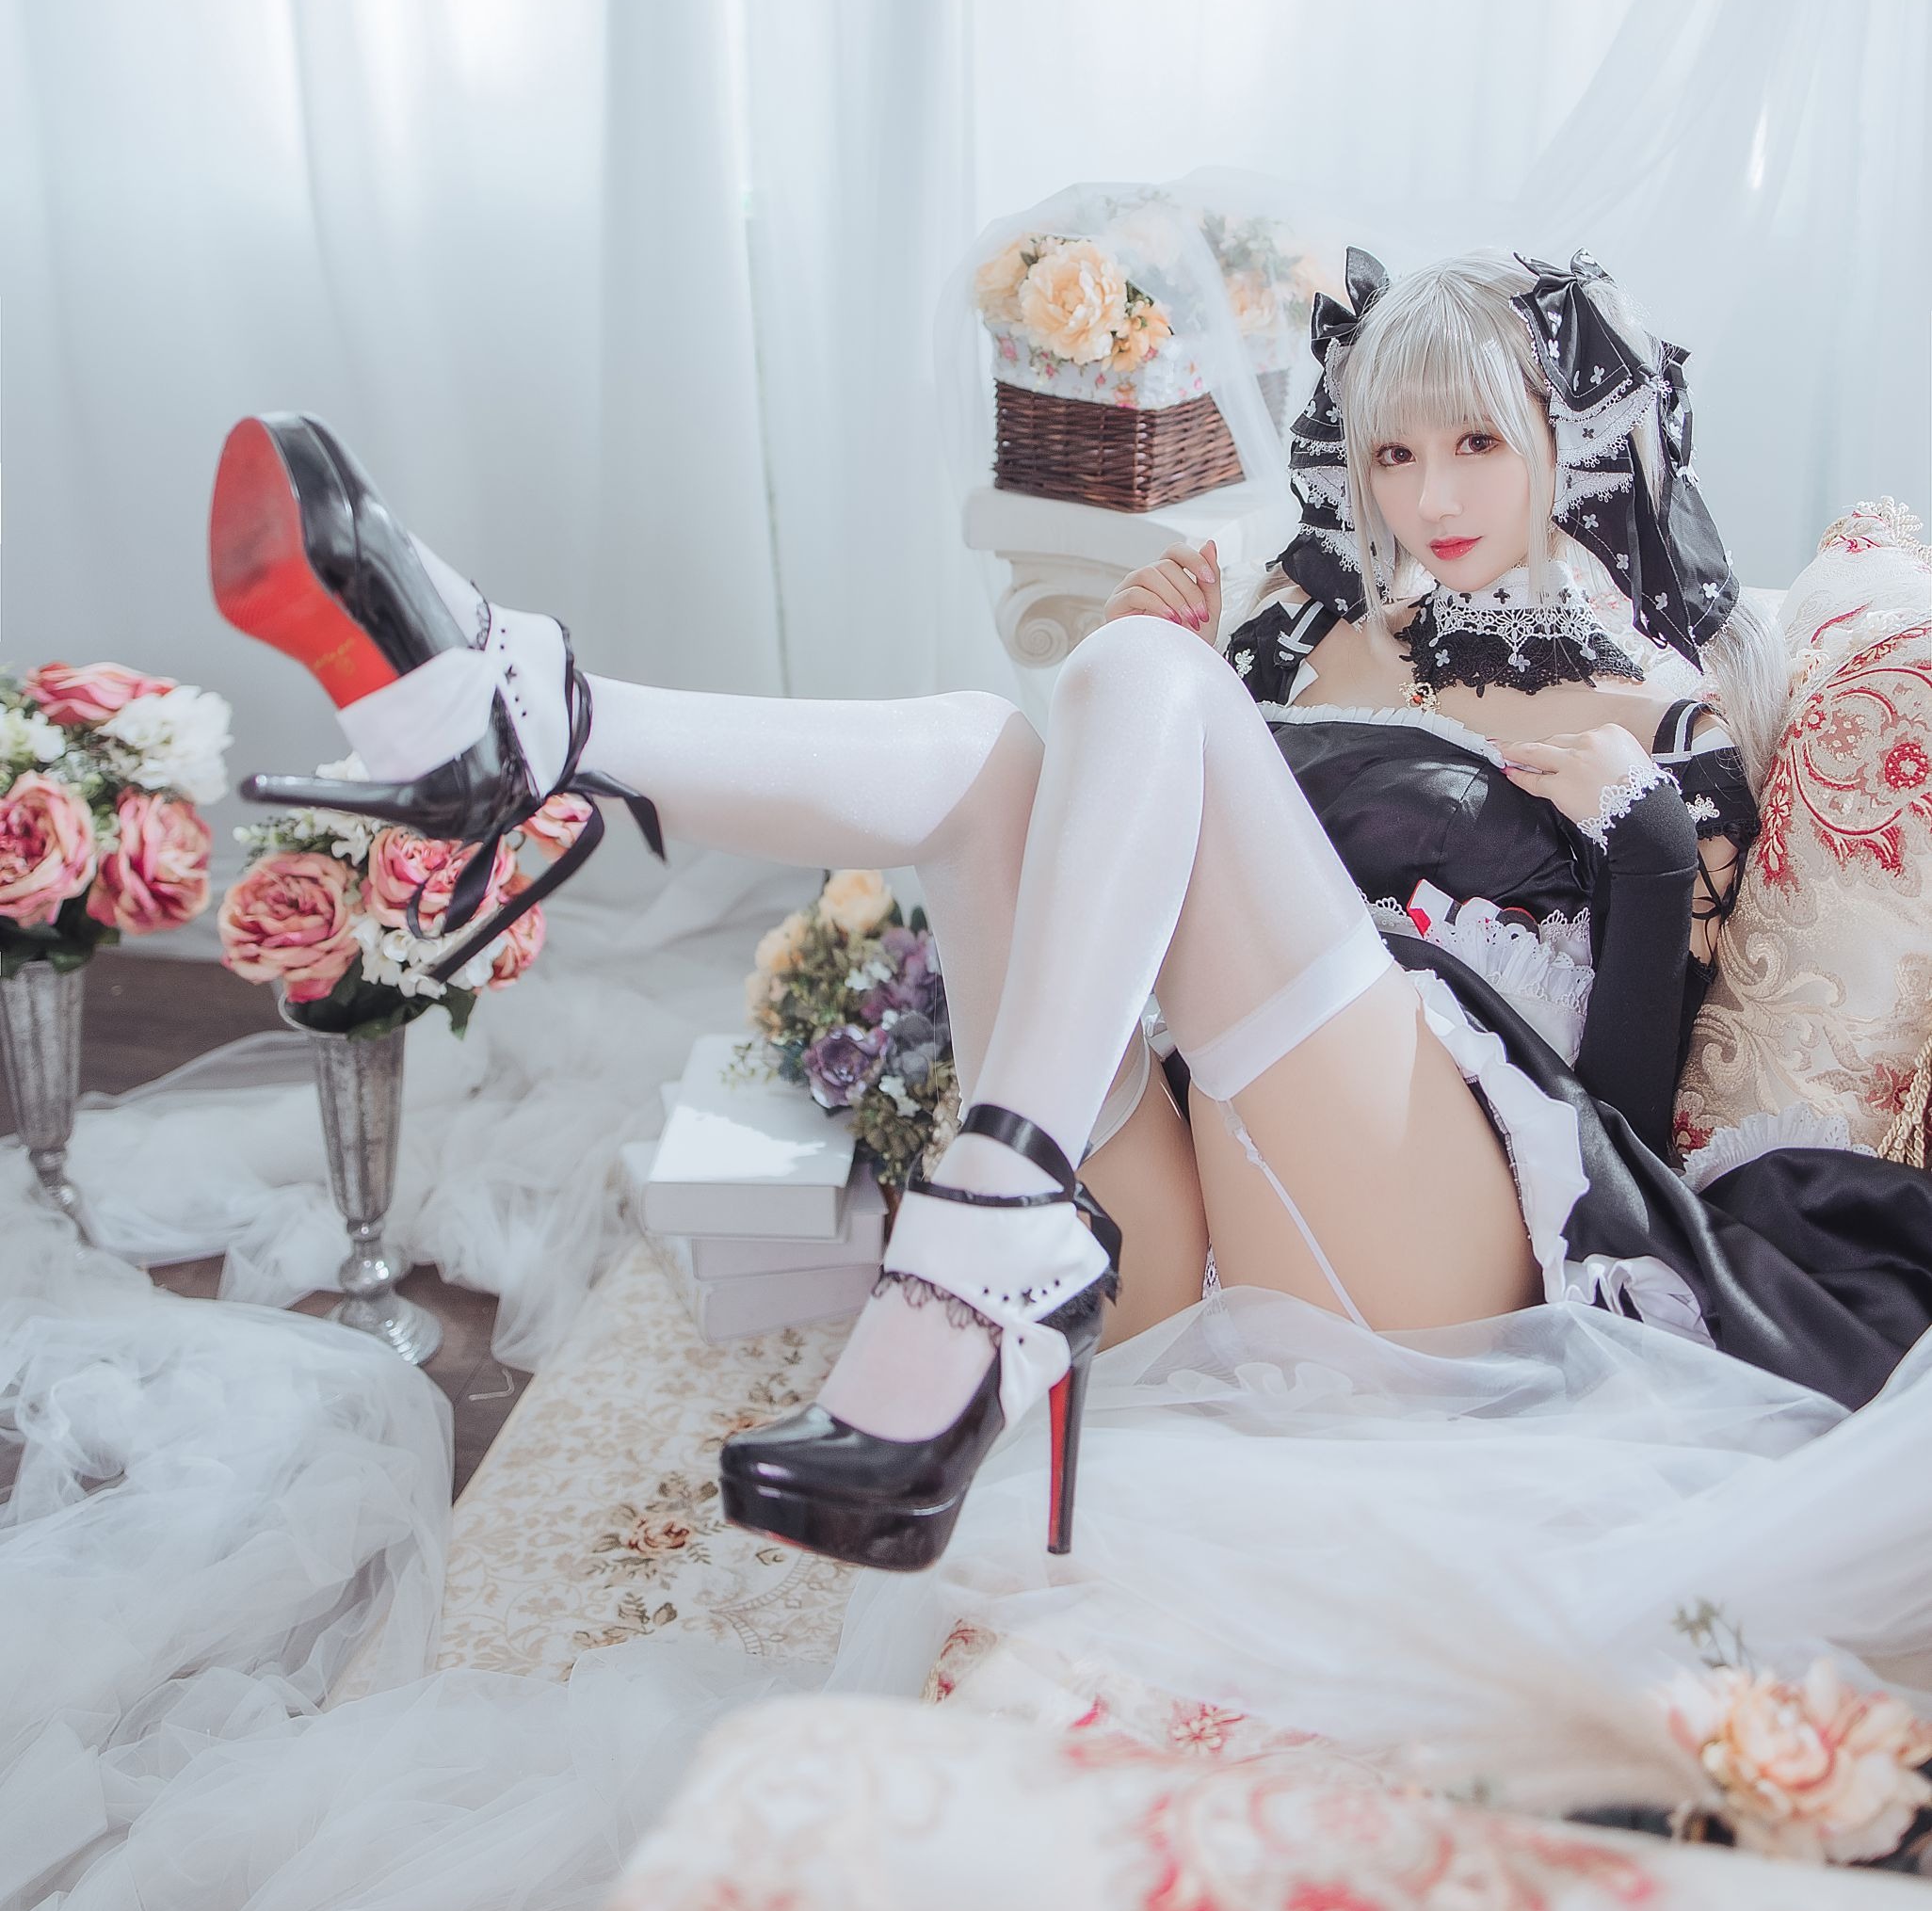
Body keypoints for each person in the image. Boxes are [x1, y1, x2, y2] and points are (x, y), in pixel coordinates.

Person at [206, 248, 1932, 1593]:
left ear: (1569, 441)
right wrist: (1157, 681)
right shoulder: (1299, 633)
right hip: (1178, 1228)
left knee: (1139, 677)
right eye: (1396, 451)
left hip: (1440, 1256)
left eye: (1480, 442)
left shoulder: (1665, 710)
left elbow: (1628, 1111)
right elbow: (1125, 849)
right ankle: (532, 714)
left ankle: (980, 1222)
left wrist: (1642, 844)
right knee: (990, 756)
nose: (1433, 496)